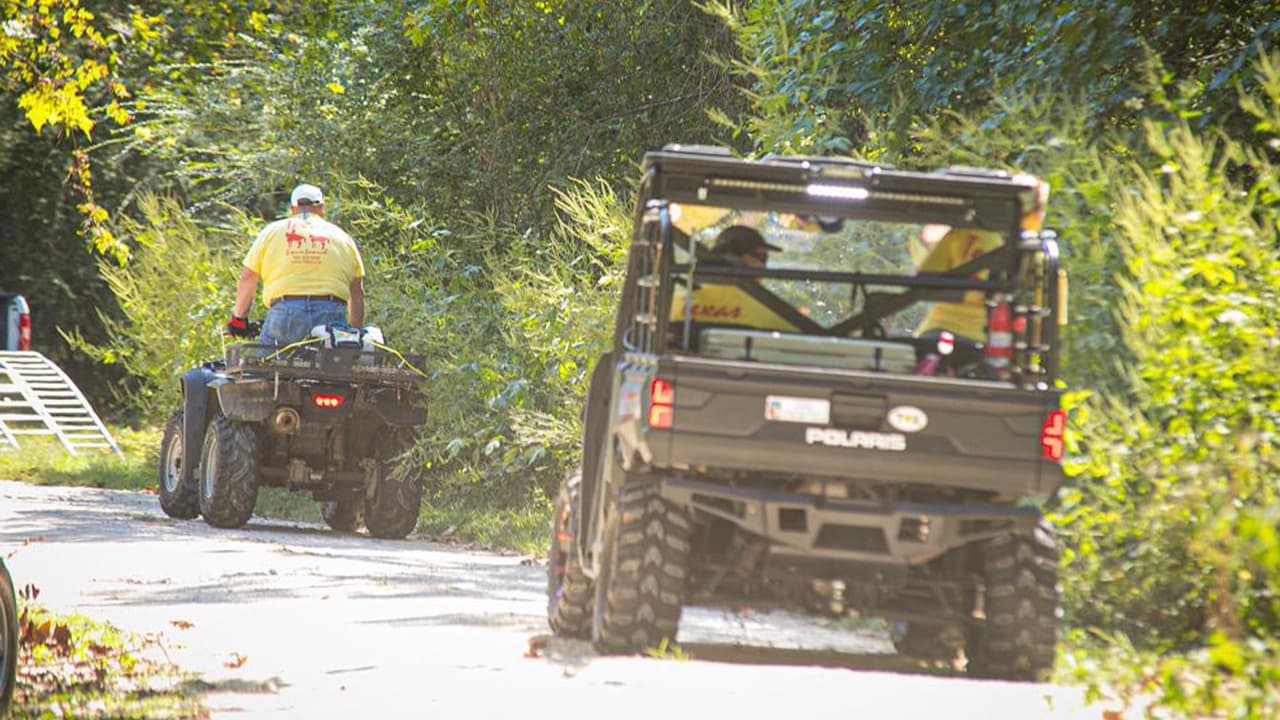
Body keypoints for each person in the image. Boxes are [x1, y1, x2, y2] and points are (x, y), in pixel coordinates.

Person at [226, 183, 366, 345]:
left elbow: (248, 277)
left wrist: (239, 320)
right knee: (330, 361)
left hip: (285, 313)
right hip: (331, 314)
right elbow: (357, 292)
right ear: (321, 208)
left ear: (292, 210)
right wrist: (353, 334)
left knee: (271, 360)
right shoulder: (342, 238)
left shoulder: (271, 232)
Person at [670, 225, 798, 333]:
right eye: (762, 258)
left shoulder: (676, 304)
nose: (764, 267)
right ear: (738, 260)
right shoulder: (771, 312)